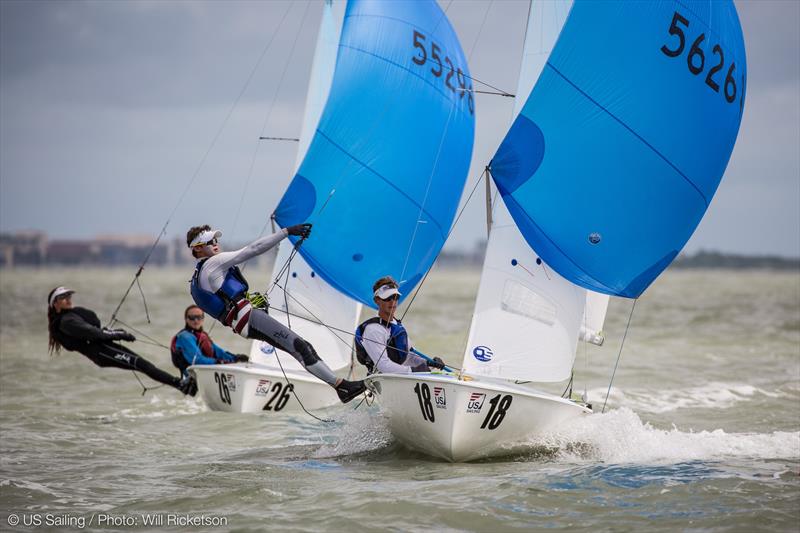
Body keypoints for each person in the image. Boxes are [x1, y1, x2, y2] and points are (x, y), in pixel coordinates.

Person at [185, 224, 366, 403]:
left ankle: (341, 386)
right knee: (301, 347)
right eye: (210, 242)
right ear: (198, 249)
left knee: (301, 347)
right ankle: (341, 387)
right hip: (249, 320)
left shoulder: (200, 273)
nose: (216, 243)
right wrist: (286, 232)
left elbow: (226, 303)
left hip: (246, 321)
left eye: (216, 240)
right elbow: (254, 249)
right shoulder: (212, 264)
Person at [47, 286, 196, 395]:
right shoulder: (66, 322)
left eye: (69, 296)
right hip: (101, 352)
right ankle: (181, 385)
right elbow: (93, 333)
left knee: (143, 364)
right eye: (63, 298)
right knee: (143, 365)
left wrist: (114, 333)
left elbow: (96, 332)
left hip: (104, 348)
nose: (68, 299)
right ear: (55, 304)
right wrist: (119, 335)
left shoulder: (70, 317)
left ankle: (182, 384)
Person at [354, 276, 445, 374]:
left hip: (399, 377)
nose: (392, 302)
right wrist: (412, 371)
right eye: (388, 298)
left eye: (395, 297)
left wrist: (428, 363)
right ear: (377, 300)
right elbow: (383, 365)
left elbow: (409, 356)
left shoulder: (397, 325)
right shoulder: (373, 330)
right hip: (382, 379)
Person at [170, 304, 249, 377]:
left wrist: (236, 358)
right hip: (193, 379)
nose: (196, 320)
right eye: (192, 317)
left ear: (203, 319)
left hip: (208, 374)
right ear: (186, 319)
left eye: (199, 317)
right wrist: (219, 363)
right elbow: (196, 360)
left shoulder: (202, 335)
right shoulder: (185, 337)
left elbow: (218, 352)